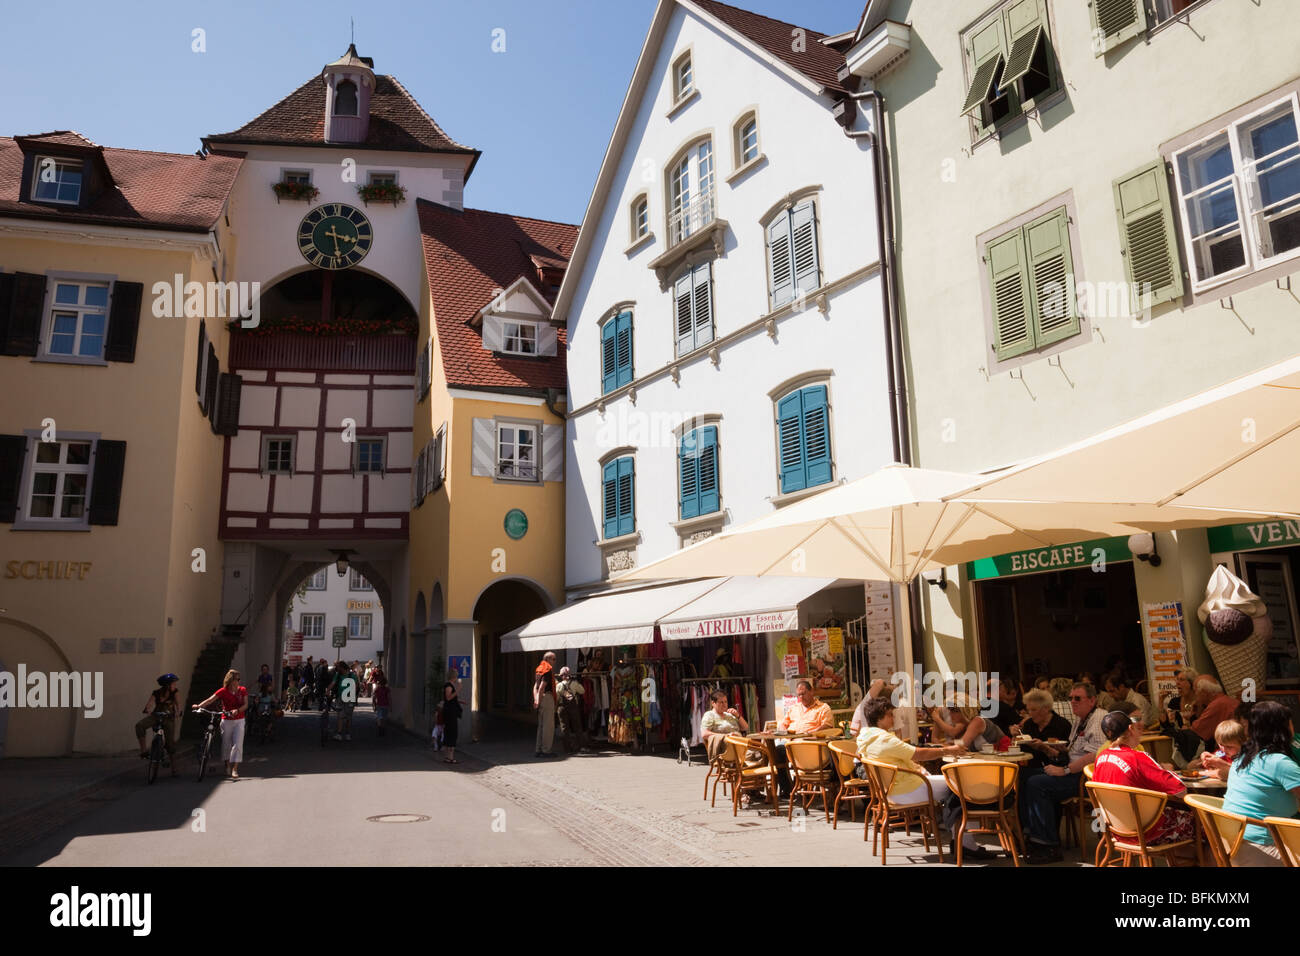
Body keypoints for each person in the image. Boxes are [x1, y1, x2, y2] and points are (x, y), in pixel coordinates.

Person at [856, 697, 989, 858]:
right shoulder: (884, 739)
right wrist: (948, 750)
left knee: (956, 786)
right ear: (880, 717)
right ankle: (965, 842)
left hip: (891, 790)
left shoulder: (866, 737)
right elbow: (918, 753)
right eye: (890, 715)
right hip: (908, 789)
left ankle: (959, 837)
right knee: (962, 786)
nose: (893, 718)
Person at [1020, 682, 1107, 863]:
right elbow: (1074, 752)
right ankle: (1030, 835)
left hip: (1086, 778)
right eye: (1071, 698)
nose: (1073, 702)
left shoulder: (1098, 719)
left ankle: (1049, 845)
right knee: (1022, 776)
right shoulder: (1080, 719)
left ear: (1092, 700)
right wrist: (1052, 750)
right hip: (1073, 770)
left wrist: (1064, 770)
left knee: (1038, 784)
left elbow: (1094, 755)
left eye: (1078, 698)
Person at [1092, 710, 1195, 853]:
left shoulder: (1101, 758)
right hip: (1145, 832)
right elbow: (1181, 790)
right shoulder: (1137, 757)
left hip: (1115, 831)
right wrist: (1166, 771)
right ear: (1130, 728)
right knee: (1204, 823)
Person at [1220, 700, 1300, 866]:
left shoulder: (1241, 758)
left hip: (1231, 845)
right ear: (1283, 729)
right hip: (1265, 848)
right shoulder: (1279, 763)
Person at [193, 669, 248, 779]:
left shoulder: (242, 690)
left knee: (237, 744)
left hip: (239, 720)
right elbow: (210, 700)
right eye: (237, 679)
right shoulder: (223, 691)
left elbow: (246, 705)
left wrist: (237, 710)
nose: (238, 681)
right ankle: (227, 765)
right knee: (226, 744)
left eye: (239, 679)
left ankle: (235, 769)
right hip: (226, 720)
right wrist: (199, 706)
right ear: (231, 680)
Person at [1010, 688, 1072, 770]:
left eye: (1033, 710)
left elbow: (1067, 756)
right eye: (1028, 710)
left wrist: (1044, 748)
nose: (1030, 714)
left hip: (1055, 769)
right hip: (1030, 767)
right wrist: (1015, 737)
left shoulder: (1062, 725)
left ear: (1046, 709)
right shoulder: (1029, 724)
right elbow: (1020, 750)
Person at [135, 673, 182, 776]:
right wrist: (147, 709)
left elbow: (178, 705)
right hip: (156, 716)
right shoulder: (156, 693)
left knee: (170, 744)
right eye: (173, 683)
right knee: (139, 725)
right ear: (167, 685)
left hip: (169, 718)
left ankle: (174, 768)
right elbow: (149, 704)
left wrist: (178, 712)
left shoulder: (175, 693)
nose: (175, 685)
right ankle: (143, 751)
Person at [1190, 675, 1238, 748]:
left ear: (1204, 692)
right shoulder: (1226, 700)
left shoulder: (1217, 705)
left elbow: (1196, 732)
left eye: (1195, 691)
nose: (1195, 695)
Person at [700, 690, 749, 758]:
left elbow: (745, 727)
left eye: (726, 702)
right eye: (721, 702)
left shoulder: (729, 714)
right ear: (713, 703)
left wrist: (738, 715)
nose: (724, 704)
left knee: (760, 752)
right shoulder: (709, 715)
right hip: (725, 750)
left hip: (739, 745)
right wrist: (726, 736)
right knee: (756, 754)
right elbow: (704, 734)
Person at [555, 666, 589, 752]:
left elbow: (557, 698)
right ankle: (581, 746)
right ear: (569, 675)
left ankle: (567, 748)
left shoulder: (558, 685)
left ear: (561, 675)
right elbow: (582, 691)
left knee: (564, 728)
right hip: (573, 707)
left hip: (562, 707)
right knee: (577, 726)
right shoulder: (574, 683)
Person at [533, 652, 558, 758]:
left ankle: (538, 749)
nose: (555, 661)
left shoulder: (539, 669)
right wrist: (538, 700)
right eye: (554, 659)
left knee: (541, 725)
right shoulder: (547, 669)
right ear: (548, 659)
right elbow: (542, 687)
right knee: (548, 726)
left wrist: (536, 700)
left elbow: (535, 687)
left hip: (541, 698)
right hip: (547, 698)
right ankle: (546, 751)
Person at [332, 661, 357, 741]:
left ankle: (343, 734)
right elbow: (356, 687)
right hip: (346, 698)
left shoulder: (342, 675)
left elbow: (332, 684)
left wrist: (327, 691)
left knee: (344, 716)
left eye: (338, 667)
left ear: (342, 667)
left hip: (345, 698)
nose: (337, 668)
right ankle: (344, 734)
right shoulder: (351, 675)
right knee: (344, 716)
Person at [440, 682, 463, 764]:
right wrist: (458, 690)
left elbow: (450, 699)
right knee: (452, 734)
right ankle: (450, 758)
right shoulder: (449, 686)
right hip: (450, 715)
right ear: (454, 677)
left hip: (450, 714)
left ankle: (448, 757)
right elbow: (448, 698)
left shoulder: (449, 686)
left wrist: (459, 701)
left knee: (450, 734)